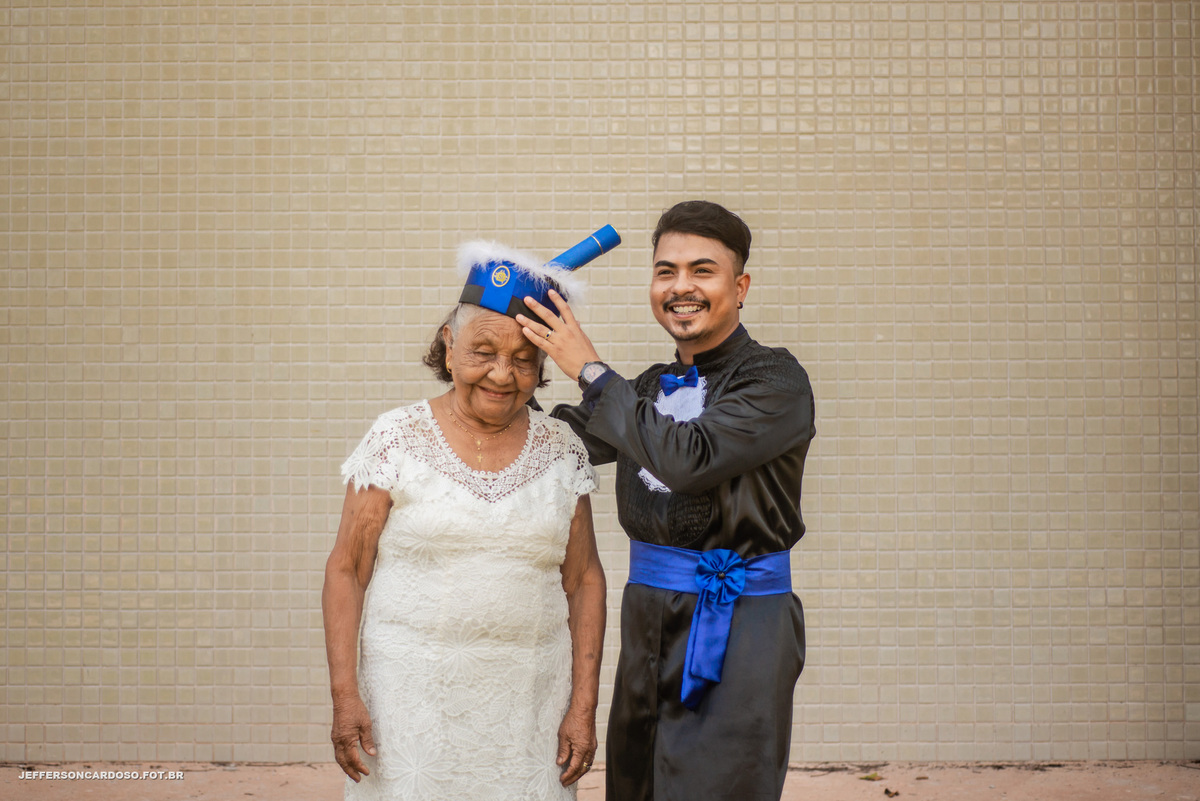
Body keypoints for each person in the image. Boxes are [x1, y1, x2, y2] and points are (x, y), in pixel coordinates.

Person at [517, 200, 816, 801]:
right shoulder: (647, 388)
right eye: (665, 271)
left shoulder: (775, 380)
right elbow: (549, 446)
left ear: (741, 286)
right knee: (637, 782)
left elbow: (688, 459)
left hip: (741, 619)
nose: (682, 287)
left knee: (719, 785)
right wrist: (515, 354)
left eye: (702, 270)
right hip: (647, 612)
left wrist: (592, 370)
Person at [322, 238, 610, 800]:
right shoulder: (394, 438)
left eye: (524, 359)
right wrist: (344, 694)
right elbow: (346, 570)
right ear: (449, 345)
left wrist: (582, 706)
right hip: (407, 705)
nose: (503, 375)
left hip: (529, 706)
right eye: (483, 352)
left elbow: (584, 580)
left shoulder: (563, 449)